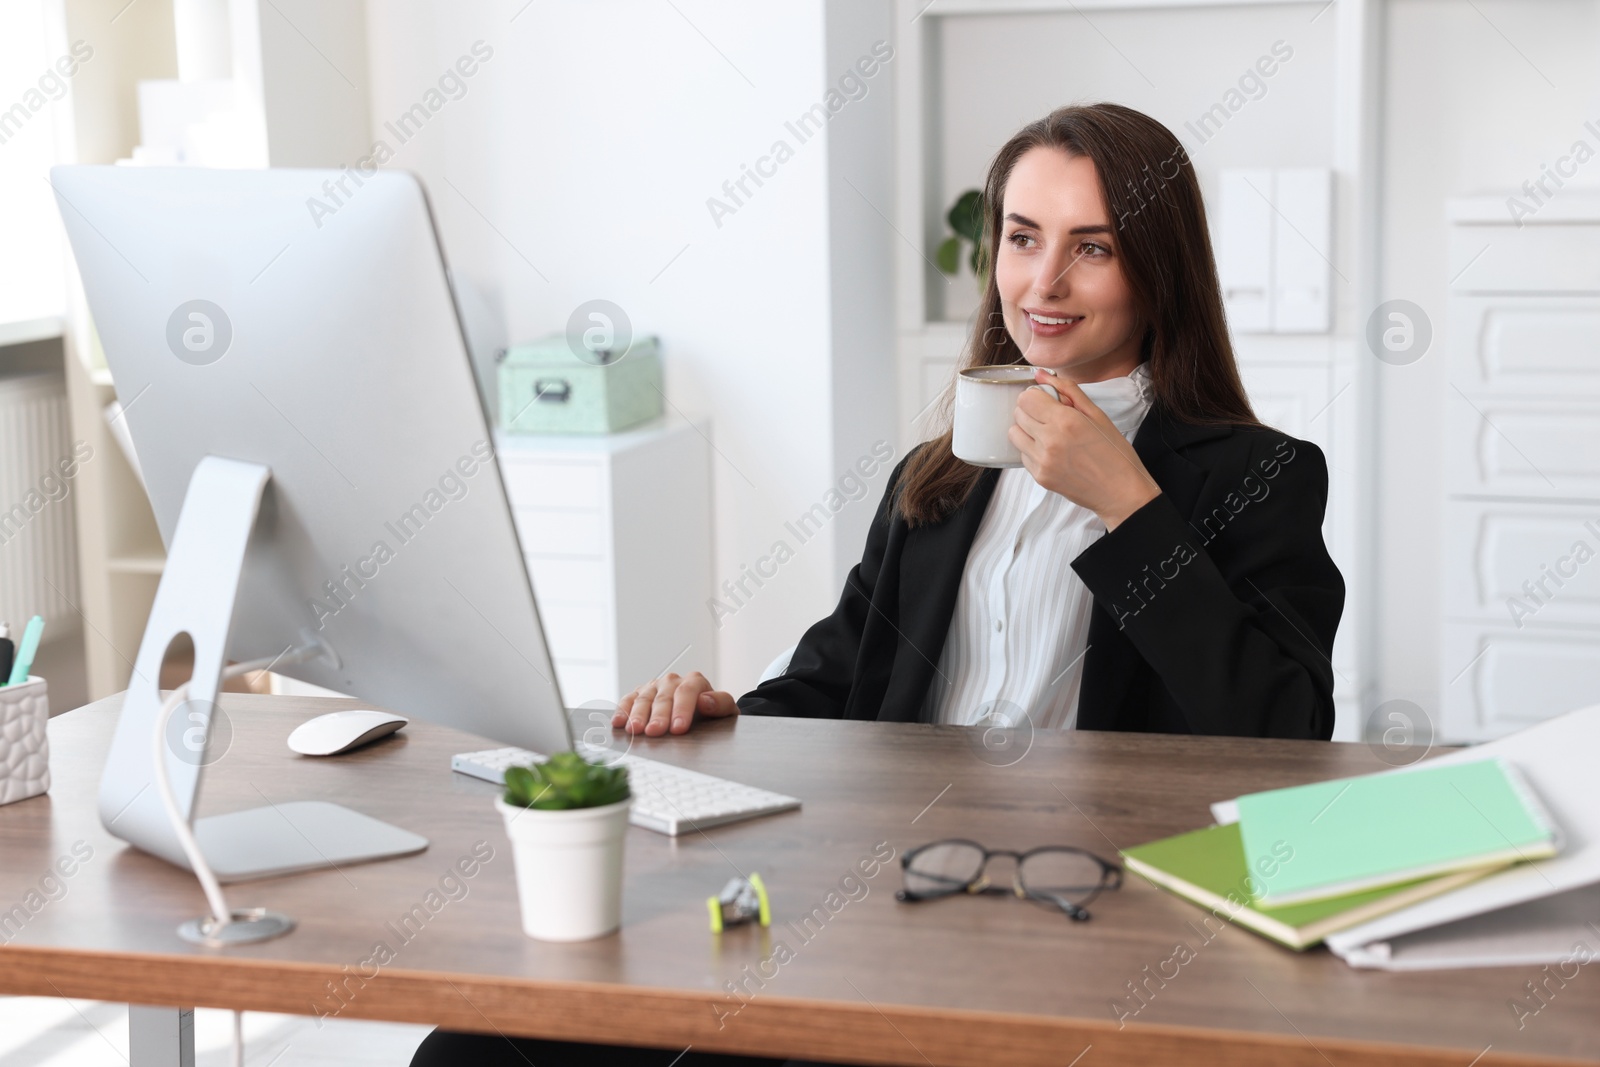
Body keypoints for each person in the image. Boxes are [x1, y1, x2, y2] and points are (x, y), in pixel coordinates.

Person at [411, 101, 1344, 1067]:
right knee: (476, 1044)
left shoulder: (1257, 475)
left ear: (1161, 268)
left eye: (1093, 248)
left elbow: (1285, 737)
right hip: (891, 896)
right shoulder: (934, 478)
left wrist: (1131, 511)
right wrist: (723, 709)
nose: (1045, 282)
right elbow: (839, 678)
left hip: (1094, 919)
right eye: (1022, 239)